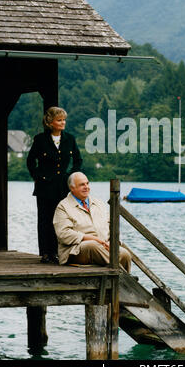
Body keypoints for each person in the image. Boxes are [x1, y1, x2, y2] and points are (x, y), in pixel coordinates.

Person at [27, 107, 82, 264]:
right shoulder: (40, 139)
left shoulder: (70, 139)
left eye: (64, 120)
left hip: (62, 187)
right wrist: (37, 176)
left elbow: (78, 160)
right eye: (59, 120)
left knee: (61, 220)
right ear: (50, 122)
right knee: (44, 219)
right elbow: (30, 161)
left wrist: (71, 176)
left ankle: (58, 252)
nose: (63, 122)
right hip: (44, 186)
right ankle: (45, 253)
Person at [53, 172, 131, 272]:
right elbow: (63, 234)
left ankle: (123, 282)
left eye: (87, 183)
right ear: (72, 188)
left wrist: (112, 242)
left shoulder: (99, 203)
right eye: (82, 185)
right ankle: (119, 274)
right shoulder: (63, 206)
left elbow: (112, 226)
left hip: (103, 246)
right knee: (92, 245)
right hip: (75, 250)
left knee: (125, 254)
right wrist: (92, 238)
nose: (86, 187)